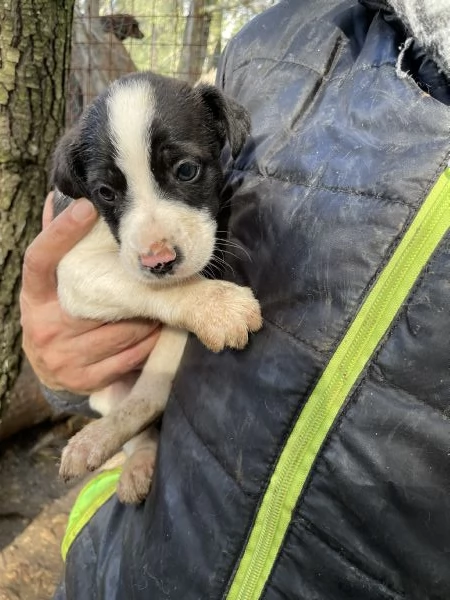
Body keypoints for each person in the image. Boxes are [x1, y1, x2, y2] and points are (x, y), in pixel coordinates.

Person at [20, 0, 450, 598]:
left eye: (186, 173)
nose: (154, 245)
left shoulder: (226, 99)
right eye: (110, 193)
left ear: (222, 138)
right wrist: (61, 371)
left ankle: (137, 433)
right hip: (129, 565)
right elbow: (74, 294)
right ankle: (137, 435)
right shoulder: (274, 43)